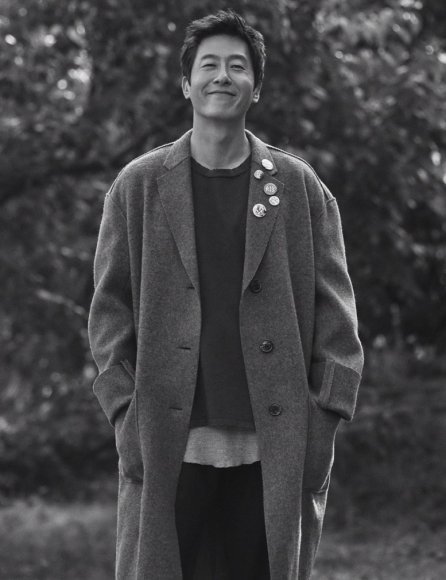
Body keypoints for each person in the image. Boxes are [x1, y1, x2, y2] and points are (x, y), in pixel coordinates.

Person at [88, 9, 364, 580]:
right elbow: (108, 312)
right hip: (167, 442)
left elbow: (338, 320)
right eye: (208, 65)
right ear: (186, 83)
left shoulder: (300, 188)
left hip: (274, 447)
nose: (222, 76)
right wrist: (122, 409)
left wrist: (324, 419)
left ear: (255, 87)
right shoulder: (138, 186)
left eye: (237, 66)